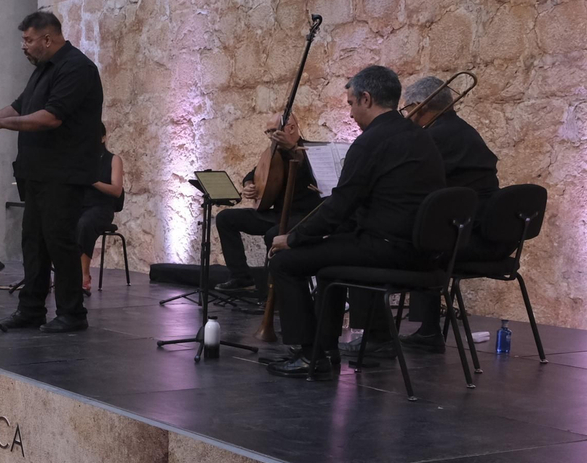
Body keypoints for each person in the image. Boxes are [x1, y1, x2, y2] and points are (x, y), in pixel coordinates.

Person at [265, 66, 446, 378]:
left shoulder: (371, 141)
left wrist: (292, 238)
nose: (349, 114)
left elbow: (339, 208)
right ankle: (326, 349)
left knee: (286, 262)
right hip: (423, 252)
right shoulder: (419, 136)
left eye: (351, 104)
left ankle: (310, 356)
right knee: (326, 262)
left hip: (387, 250)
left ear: (366, 98)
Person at [0, 11, 105, 333]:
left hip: (62, 173)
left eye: (28, 40)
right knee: (33, 242)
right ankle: (32, 309)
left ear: (47, 39)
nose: (23, 47)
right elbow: (20, 105)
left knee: (59, 242)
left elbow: (51, 117)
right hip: (37, 173)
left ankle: (72, 313)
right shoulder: (42, 70)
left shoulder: (76, 68)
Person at [396, 76, 502, 351]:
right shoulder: (464, 130)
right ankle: (427, 330)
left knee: (399, 244)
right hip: (489, 236)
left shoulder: (433, 137)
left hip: (466, 240)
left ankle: (379, 336)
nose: (407, 116)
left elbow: (411, 185)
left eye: (407, 110)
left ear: (420, 107)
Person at [213, 126, 323, 292]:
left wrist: (293, 149)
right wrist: (249, 185)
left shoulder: (311, 151)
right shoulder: (274, 154)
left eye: (274, 130)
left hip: (303, 216)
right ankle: (241, 277)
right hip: (277, 214)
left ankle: (275, 291)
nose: (271, 135)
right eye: (268, 132)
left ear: (291, 128)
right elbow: (252, 174)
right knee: (225, 218)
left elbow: (310, 168)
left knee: (274, 235)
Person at [76, 127, 125, 292]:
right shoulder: (80, 159)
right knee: (56, 220)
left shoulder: (113, 159)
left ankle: (84, 274)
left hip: (102, 207)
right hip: (80, 205)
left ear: (103, 138)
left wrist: (93, 182)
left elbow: (117, 190)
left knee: (84, 224)